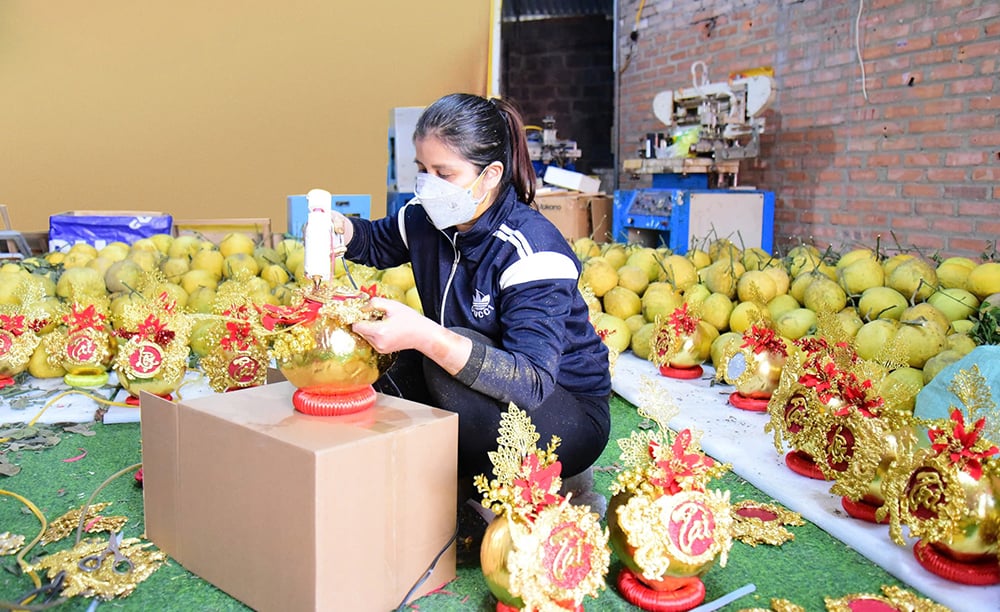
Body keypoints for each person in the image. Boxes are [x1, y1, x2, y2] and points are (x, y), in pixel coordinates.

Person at [330, 93, 611, 509]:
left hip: (564, 414)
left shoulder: (532, 251)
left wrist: (427, 336)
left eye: (444, 172)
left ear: (491, 174)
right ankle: (448, 473)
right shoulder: (426, 218)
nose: (429, 185)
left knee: (442, 352)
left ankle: (551, 485)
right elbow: (376, 241)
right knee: (383, 354)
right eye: (422, 170)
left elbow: (530, 382)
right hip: (482, 391)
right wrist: (343, 232)